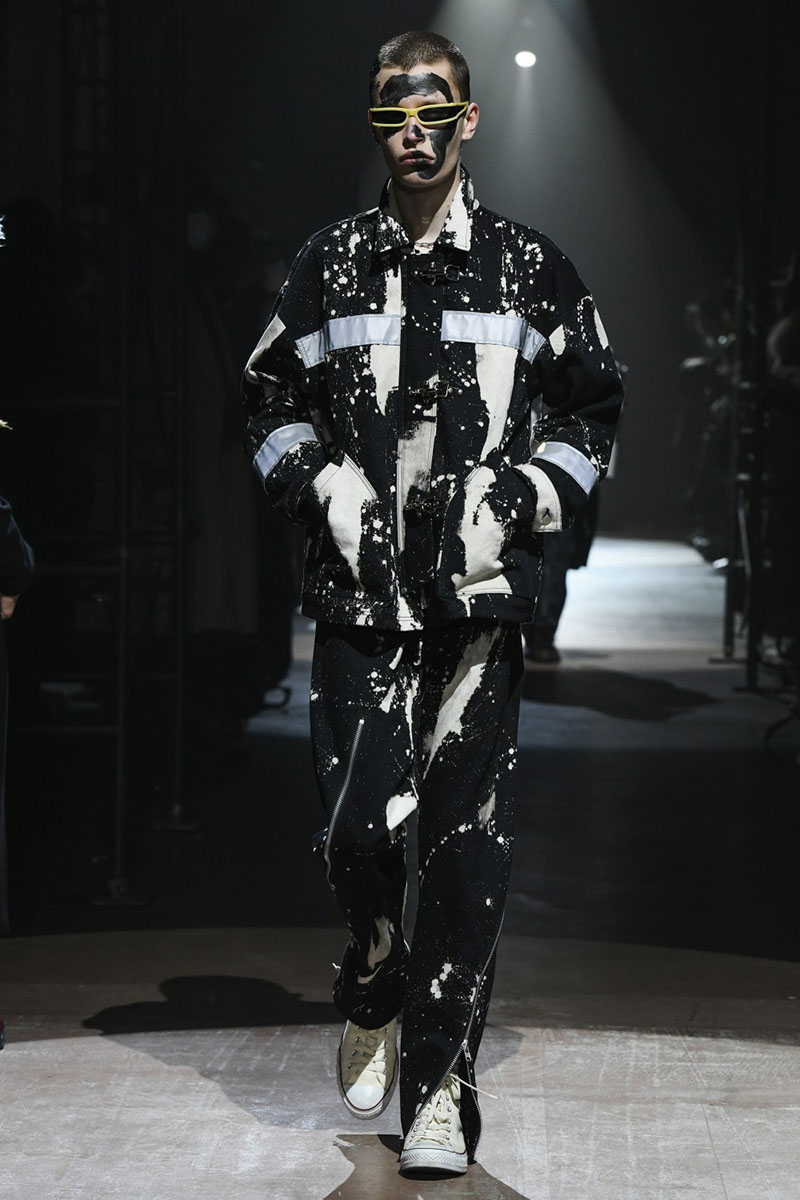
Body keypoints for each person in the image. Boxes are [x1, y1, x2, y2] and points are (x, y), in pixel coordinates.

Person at [242, 30, 622, 1176]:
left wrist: (517, 496)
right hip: (358, 601)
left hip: (474, 607)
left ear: (467, 119)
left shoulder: (529, 269)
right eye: (390, 117)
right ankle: (371, 970)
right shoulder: (328, 264)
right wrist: (324, 485)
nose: (411, 135)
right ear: (375, 125)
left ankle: (441, 1091)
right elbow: (266, 400)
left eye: (431, 113)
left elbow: (593, 408)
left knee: (463, 849)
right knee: (357, 832)